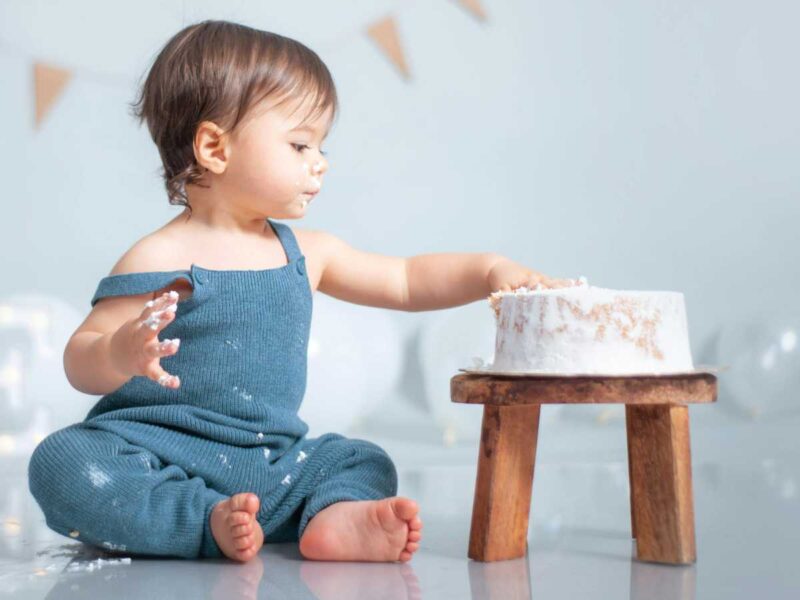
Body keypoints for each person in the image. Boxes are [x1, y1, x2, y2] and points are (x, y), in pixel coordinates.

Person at [27, 19, 576, 563]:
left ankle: (332, 518)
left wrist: (488, 270)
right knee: (62, 461)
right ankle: (198, 520)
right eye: (299, 144)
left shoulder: (306, 253)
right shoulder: (159, 257)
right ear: (215, 147)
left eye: (321, 146)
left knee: (363, 460)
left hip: (271, 464)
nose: (320, 164)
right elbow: (80, 358)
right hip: (154, 455)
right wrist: (118, 350)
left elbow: (406, 280)